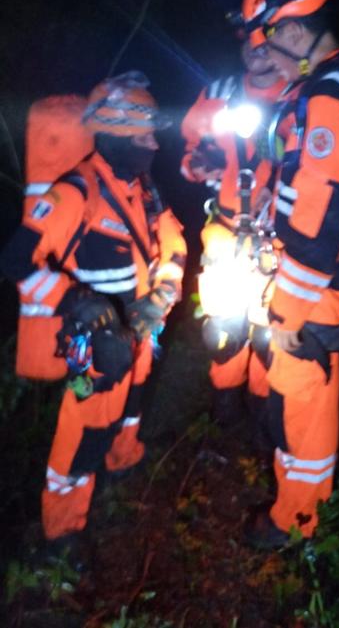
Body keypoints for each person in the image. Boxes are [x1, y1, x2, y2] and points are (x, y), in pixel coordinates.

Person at [0, 71, 186, 559]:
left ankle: (124, 462)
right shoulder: (75, 192)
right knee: (84, 432)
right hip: (95, 343)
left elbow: (174, 242)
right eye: (144, 135)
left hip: (140, 331)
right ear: (116, 135)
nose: (153, 144)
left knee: (133, 405)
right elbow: (16, 261)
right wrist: (75, 302)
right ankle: (62, 532)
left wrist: (163, 293)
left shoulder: (143, 188)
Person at [239, 0, 339, 548]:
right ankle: (300, 509)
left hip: (316, 298)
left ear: (294, 31)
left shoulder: (325, 101)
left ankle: (297, 523)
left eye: (268, 46)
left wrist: (287, 314)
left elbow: (322, 223)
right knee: (298, 408)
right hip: (322, 289)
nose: (266, 61)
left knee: (302, 412)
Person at [181, 34, 285, 432]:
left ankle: (263, 412)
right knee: (224, 328)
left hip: (276, 240)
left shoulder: (300, 93)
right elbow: (187, 159)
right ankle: (224, 410)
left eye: (267, 42)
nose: (258, 51)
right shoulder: (215, 94)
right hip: (225, 232)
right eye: (251, 42)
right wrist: (197, 164)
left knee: (268, 332)